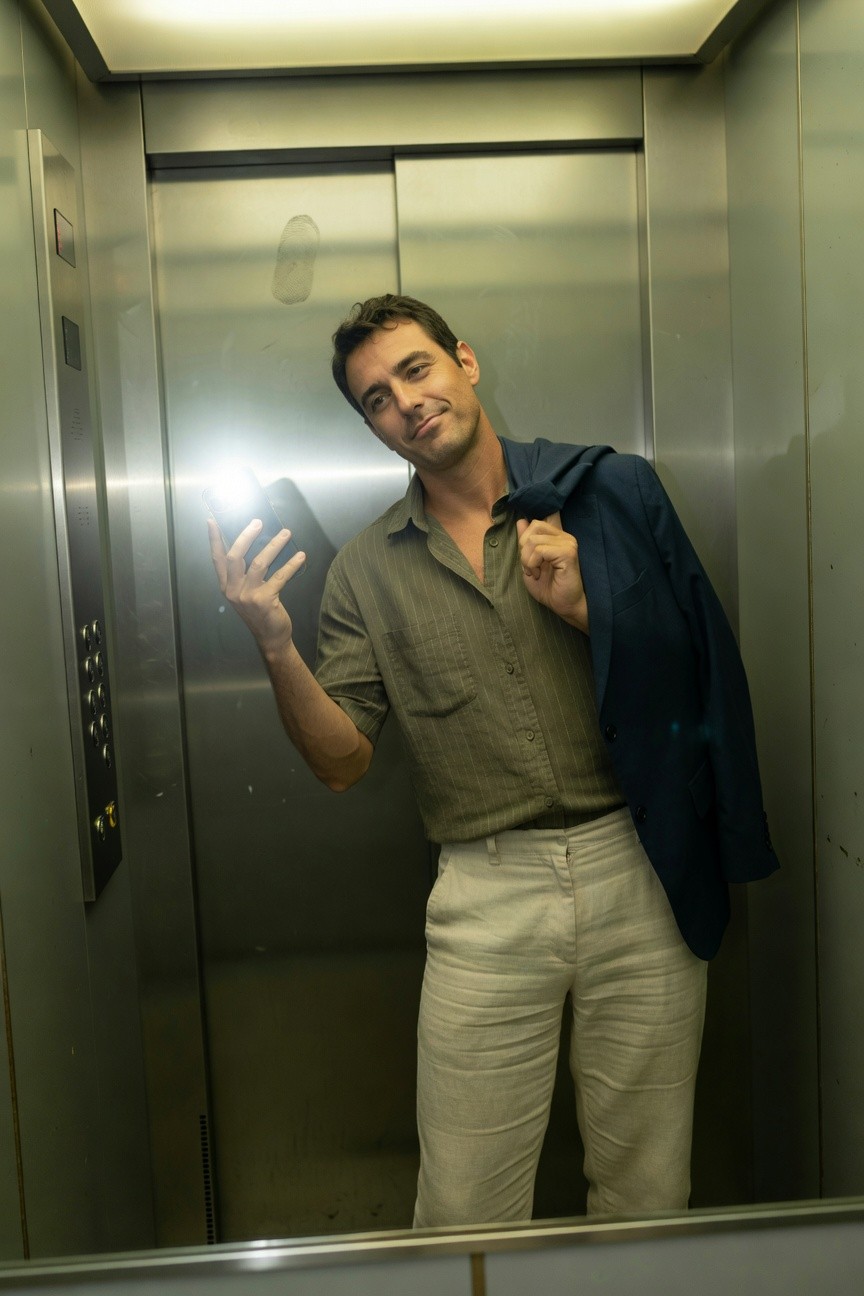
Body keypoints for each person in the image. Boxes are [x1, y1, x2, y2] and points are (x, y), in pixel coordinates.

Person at [208, 293, 779, 1227]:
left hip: (639, 867)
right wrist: (274, 643)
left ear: (464, 362)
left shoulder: (613, 495)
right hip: (486, 894)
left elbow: (705, 674)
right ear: (376, 430)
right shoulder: (365, 571)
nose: (406, 401)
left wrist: (594, 613)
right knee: (464, 1210)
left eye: (416, 369)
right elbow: (343, 762)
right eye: (377, 399)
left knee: (648, 1194)